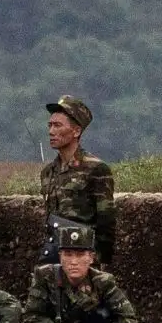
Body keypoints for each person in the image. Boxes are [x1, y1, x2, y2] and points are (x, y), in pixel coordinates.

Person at [39, 96, 115, 267]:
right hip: (54, 256)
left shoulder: (95, 169)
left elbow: (106, 222)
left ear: (76, 131)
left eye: (58, 125)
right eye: (50, 125)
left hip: (83, 258)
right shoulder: (48, 172)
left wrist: (101, 262)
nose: (51, 131)